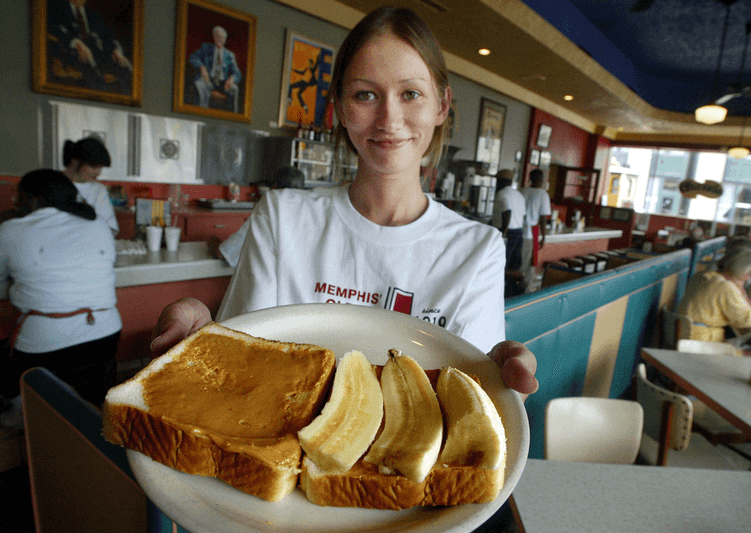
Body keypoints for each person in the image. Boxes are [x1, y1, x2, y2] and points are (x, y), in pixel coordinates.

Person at [151, 6, 538, 396]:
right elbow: (241, 371)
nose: (389, 118)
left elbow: (466, 400)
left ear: (441, 105)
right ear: (339, 107)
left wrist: (498, 392)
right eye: (365, 94)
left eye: (410, 93)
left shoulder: (477, 250)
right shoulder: (283, 218)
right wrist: (203, 344)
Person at [0, 169, 122, 411]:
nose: (16, 203)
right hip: (105, 337)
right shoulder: (98, 224)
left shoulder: (11, 230)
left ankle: (19, 411)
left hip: (44, 345)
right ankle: (92, 407)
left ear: (37, 200)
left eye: (20, 198)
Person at [208, 166, 306, 267]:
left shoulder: (267, 211)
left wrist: (212, 241)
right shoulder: (306, 217)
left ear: (274, 187)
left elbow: (224, 253)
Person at [676, 246, 751, 342]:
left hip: (682, 333)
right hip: (700, 340)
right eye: (749, 274)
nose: (748, 278)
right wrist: (741, 288)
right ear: (740, 270)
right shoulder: (725, 287)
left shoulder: (703, 275)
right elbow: (749, 321)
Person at [47, 0, 133, 92]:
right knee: (90, 64)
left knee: (125, 66)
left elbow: (108, 37)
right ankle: (101, 95)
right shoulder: (57, 8)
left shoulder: (92, 14)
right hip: (73, 52)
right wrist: (76, 42)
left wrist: (116, 51)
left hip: (99, 54)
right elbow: (55, 29)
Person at [61, 137, 119, 236]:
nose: (98, 173)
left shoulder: (99, 190)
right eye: (93, 167)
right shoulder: (52, 184)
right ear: (75, 161)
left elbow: (111, 228)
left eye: (100, 168)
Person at [189, 26, 243, 113]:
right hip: (207, 80)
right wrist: (201, 67)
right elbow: (193, 57)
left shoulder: (230, 55)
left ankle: (232, 116)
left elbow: (237, 73)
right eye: (217, 36)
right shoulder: (206, 48)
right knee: (199, 84)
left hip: (222, 83)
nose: (219, 39)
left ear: (225, 39)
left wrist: (231, 79)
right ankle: (201, 114)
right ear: (213, 37)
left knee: (234, 89)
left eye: (221, 37)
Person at [492, 169, 526, 273]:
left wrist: (503, 232)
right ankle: (509, 288)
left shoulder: (501, 193)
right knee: (513, 265)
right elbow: (522, 216)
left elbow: (507, 212)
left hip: (507, 234)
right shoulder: (519, 195)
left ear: (501, 181)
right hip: (519, 232)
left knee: (501, 264)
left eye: (498, 180)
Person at [521, 168, 551, 266]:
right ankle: (525, 281)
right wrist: (543, 236)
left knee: (518, 261)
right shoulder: (543, 195)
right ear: (540, 179)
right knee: (529, 264)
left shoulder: (522, 191)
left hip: (517, 229)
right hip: (531, 232)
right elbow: (543, 218)